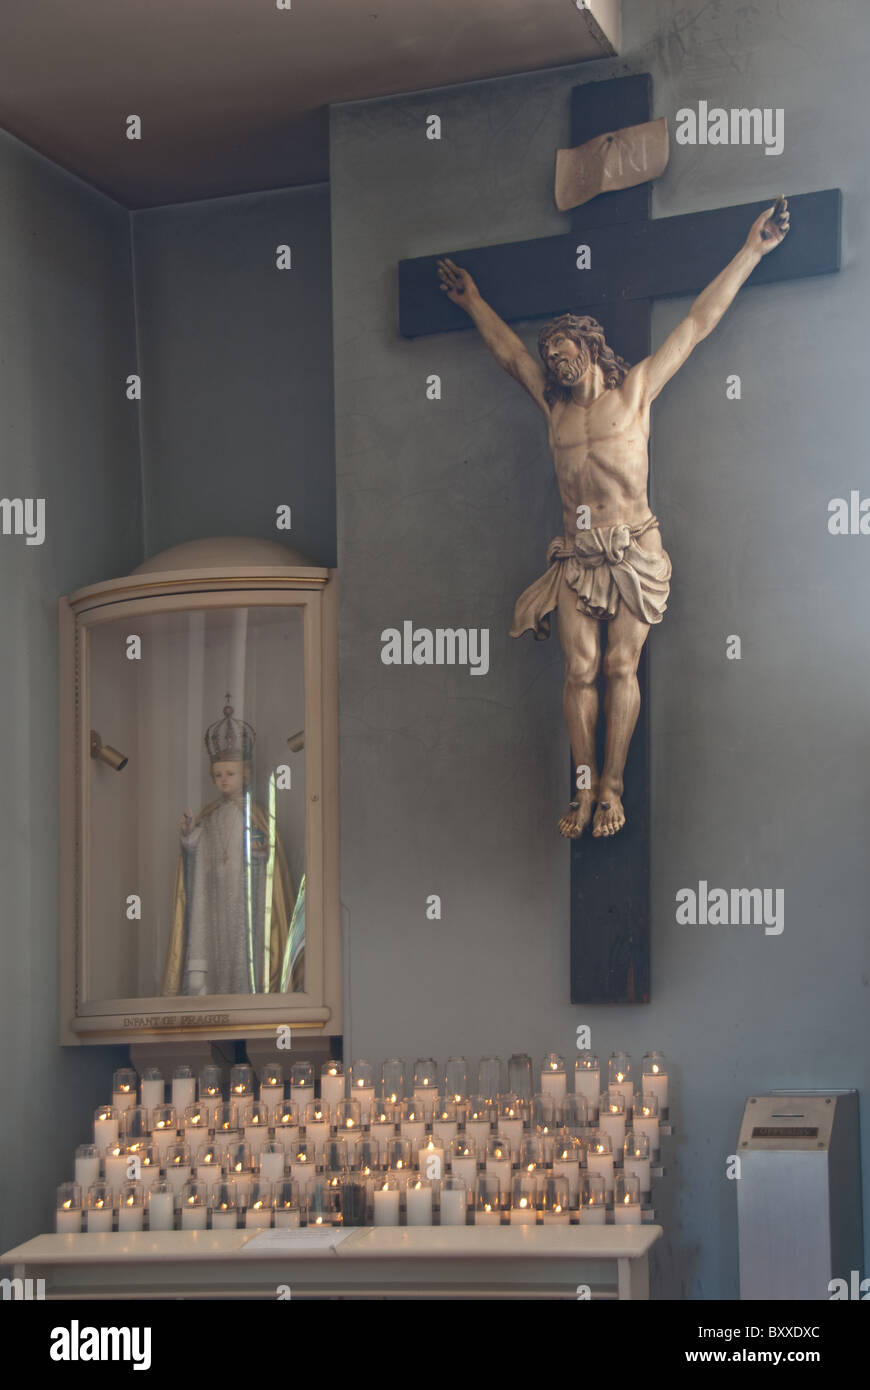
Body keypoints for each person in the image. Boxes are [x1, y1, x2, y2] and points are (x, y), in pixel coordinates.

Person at [437, 197, 789, 838]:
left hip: (634, 551)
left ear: (589, 347)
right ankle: (580, 786)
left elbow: (697, 324)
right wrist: (473, 303)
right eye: (551, 354)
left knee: (620, 668)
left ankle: (611, 789)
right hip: (577, 557)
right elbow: (510, 356)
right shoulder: (555, 412)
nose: (553, 360)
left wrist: (752, 250)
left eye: (563, 349)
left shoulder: (637, 393)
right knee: (577, 671)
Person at [161, 697, 301, 995]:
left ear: (246, 774)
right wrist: (189, 835)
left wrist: (260, 851)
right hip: (213, 897)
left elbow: (269, 861)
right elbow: (196, 854)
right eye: (218, 775)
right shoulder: (209, 816)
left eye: (230, 774)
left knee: (244, 949)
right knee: (215, 944)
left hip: (245, 894)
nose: (224, 781)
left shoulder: (259, 815)